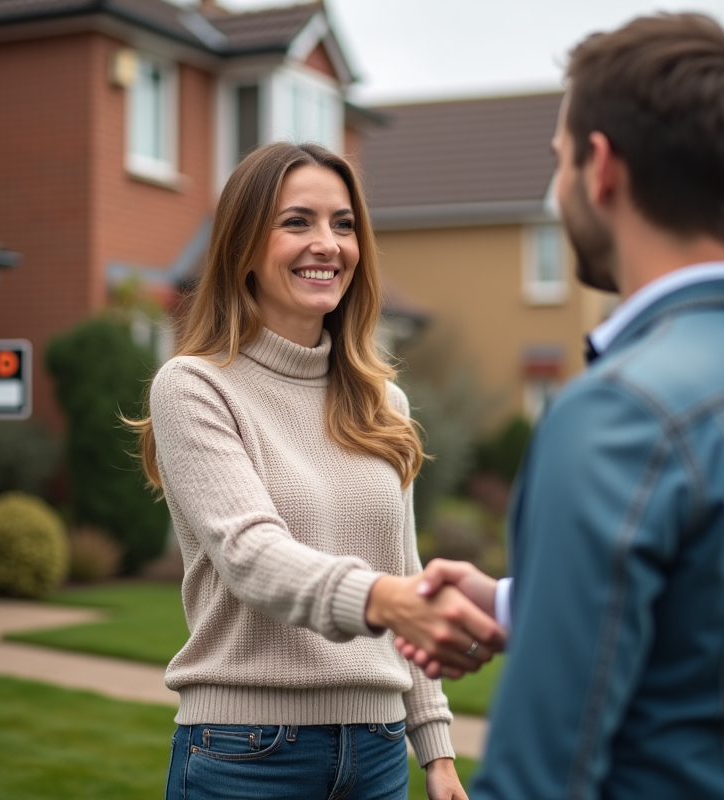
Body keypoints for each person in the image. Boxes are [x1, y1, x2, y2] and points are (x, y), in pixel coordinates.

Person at [399, 13, 724, 800]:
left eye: (559, 160)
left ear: (601, 169)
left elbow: (539, 778)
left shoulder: (615, 414)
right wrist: (515, 599)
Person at [130, 141, 505, 800]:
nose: (327, 244)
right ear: (244, 245)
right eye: (297, 221)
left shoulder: (382, 401)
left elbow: (404, 565)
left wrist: (436, 750)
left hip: (381, 750)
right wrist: (384, 600)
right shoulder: (193, 387)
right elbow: (252, 557)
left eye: (343, 223)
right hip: (246, 756)